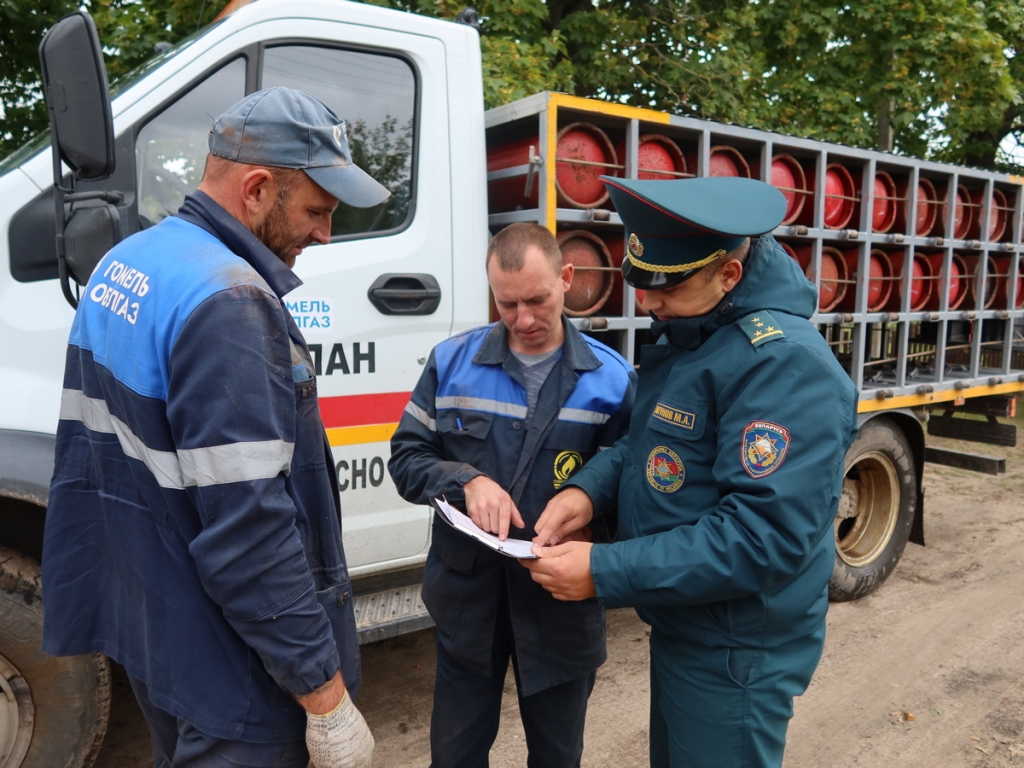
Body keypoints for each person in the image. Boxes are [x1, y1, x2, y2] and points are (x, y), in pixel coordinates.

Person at [41, 87, 388, 768]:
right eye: (318, 211)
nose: (325, 234)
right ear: (257, 188)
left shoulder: (129, 262)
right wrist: (324, 697)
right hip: (234, 668)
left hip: (157, 628)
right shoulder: (230, 301)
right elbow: (251, 531)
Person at [524, 176, 858, 768]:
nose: (649, 303)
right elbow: (651, 446)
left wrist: (604, 568)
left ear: (727, 275)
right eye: (642, 282)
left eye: (668, 288)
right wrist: (588, 490)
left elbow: (760, 538)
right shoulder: (698, 333)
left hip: (735, 646)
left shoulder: (782, 365)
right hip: (690, 619)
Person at [388, 222, 636, 767]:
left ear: (567, 278)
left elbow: (634, 488)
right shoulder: (451, 364)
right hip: (467, 602)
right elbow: (407, 460)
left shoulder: (613, 380)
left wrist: (596, 530)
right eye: (507, 304)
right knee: (455, 756)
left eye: (537, 300)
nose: (523, 319)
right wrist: (466, 481)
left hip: (560, 607)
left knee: (556, 757)